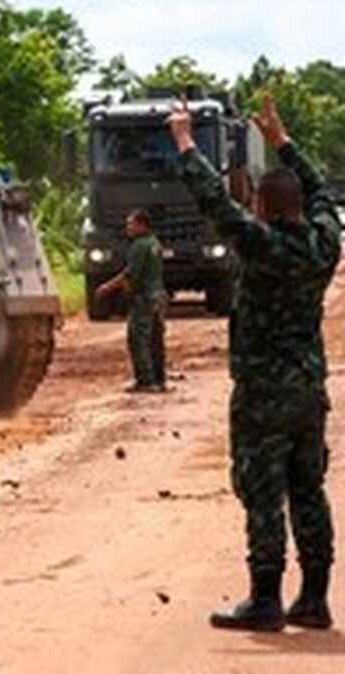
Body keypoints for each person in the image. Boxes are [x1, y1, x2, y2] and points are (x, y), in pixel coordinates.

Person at [171, 93, 340, 631]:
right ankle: (314, 597)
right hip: (308, 390)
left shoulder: (261, 245)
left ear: (263, 207)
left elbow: (216, 204)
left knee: (263, 490)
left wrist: (184, 141)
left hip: (264, 394)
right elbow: (323, 199)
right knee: (307, 488)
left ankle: (265, 598)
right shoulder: (323, 245)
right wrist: (284, 144)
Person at [94, 210, 168, 392]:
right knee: (155, 339)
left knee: (138, 339)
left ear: (142, 225)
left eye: (131, 224)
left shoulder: (139, 245)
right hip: (158, 296)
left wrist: (107, 287)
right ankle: (159, 379)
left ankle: (145, 381)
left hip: (144, 298)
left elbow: (129, 274)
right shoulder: (154, 243)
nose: (128, 228)